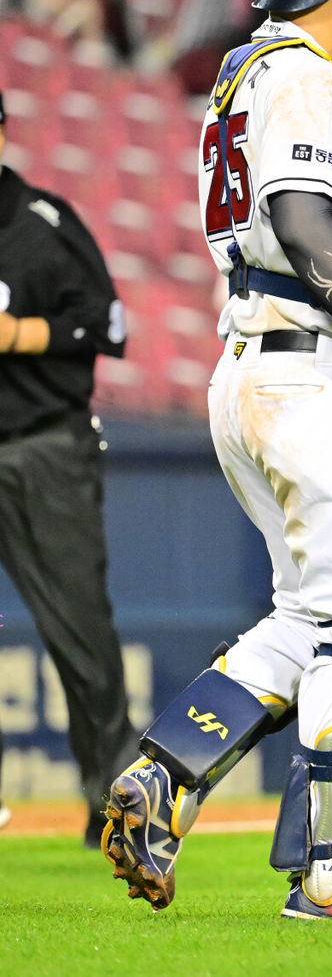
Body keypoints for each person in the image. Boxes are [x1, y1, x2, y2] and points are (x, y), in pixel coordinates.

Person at [101, 0, 332, 921]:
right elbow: (300, 214)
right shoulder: (303, 76)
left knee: (310, 612)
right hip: (319, 367)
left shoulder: (253, 70)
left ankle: (161, 776)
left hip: (253, 364)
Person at [0, 89, 136, 846]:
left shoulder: (42, 226)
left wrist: (19, 332)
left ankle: (116, 804)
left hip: (44, 447)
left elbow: (107, 321)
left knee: (80, 635)